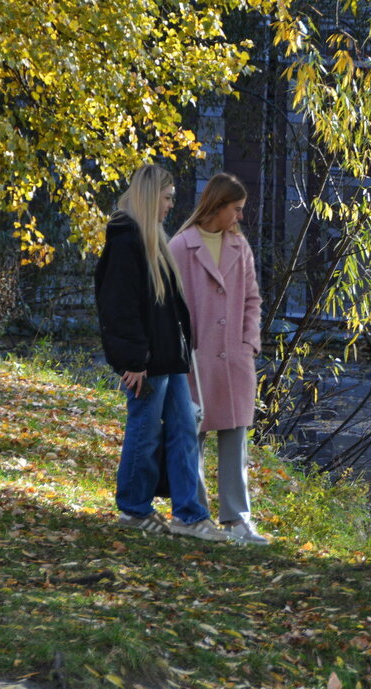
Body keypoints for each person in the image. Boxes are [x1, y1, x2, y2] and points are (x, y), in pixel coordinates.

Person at [94, 163, 228, 542]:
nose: (171, 205)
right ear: (152, 196)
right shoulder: (126, 239)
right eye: (167, 198)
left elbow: (164, 308)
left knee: (184, 431)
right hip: (148, 362)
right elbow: (118, 306)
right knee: (145, 431)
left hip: (168, 359)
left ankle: (190, 515)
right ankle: (134, 508)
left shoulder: (150, 237)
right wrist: (133, 360)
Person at [169, 172, 270, 545]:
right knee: (191, 434)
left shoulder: (239, 247)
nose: (240, 217)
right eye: (237, 209)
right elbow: (168, 304)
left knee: (235, 436)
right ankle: (196, 515)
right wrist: (180, 350)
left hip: (235, 358)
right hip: (195, 358)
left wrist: (249, 342)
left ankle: (239, 519)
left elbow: (252, 299)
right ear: (218, 205)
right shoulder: (181, 246)